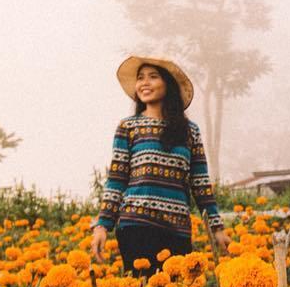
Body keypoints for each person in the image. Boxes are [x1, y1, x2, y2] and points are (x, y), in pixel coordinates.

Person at [90, 55, 231, 274]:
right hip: (136, 227)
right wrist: (102, 226)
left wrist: (217, 227)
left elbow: (200, 183)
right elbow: (116, 181)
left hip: (177, 230)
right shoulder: (128, 127)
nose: (144, 83)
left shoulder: (189, 131)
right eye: (140, 78)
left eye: (153, 77)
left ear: (168, 84)